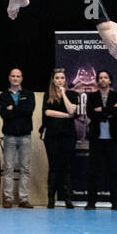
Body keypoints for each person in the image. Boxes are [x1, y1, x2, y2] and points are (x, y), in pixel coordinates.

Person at [86, 69, 117, 210]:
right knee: (93, 172)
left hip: (113, 140)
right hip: (97, 140)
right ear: (97, 81)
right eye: (100, 77)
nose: (103, 79)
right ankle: (91, 203)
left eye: (105, 77)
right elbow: (90, 114)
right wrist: (108, 112)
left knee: (114, 171)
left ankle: (115, 203)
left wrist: (101, 111)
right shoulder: (92, 97)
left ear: (110, 80)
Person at [41, 67, 80, 209]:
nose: (59, 80)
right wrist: (66, 116)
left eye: (62, 78)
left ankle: (68, 199)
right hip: (52, 136)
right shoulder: (48, 95)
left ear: (65, 80)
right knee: (54, 167)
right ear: (53, 80)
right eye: (57, 78)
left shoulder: (72, 94)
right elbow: (48, 112)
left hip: (68, 136)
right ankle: (51, 199)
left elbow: (72, 110)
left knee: (67, 167)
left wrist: (63, 94)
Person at [0, 67, 35, 208]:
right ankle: (8, 198)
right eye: (13, 76)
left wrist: (12, 109)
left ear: (21, 78)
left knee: (25, 168)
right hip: (9, 136)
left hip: (25, 136)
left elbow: (28, 111)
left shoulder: (28, 94)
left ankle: (23, 199)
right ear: (9, 78)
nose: (15, 78)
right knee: (8, 168)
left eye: (18, 76)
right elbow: (4, 114)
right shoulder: (3, 95)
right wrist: (18, 110)